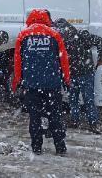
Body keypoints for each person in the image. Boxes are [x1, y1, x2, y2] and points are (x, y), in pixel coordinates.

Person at [12, 9, 71, 155]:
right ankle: (60, 147)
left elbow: (18, 62)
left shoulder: (23, 35)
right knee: (55, 116)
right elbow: (63, 60)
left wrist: (17, 82)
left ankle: (37, 147)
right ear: (46, 18)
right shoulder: (54, 35)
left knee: (35, 117)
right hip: (52, 84)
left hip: (32, 86)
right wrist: (66, 80)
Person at [53, 19, 102, 134]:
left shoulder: (81, 36)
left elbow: (100, 41)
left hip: (84, 73)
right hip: (75, 74)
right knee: (76, 99)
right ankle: (81, 121)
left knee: (84, 99)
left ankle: (90, 122)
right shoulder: (65, 38)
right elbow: (100, 42)